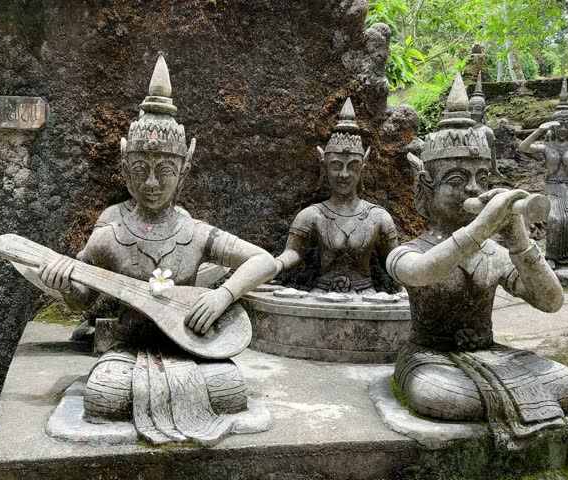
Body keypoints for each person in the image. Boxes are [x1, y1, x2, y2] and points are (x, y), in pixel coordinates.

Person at [36, 55, 276, 445]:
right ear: (125, 167)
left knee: (231, 387)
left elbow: (263, 260)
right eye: (141, 169)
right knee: (102, 395)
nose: (151, 182)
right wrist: (64, 285)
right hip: (129, 349)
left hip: (191, 350)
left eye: (164, 170)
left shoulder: (196, 233)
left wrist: (222, 296)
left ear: (183, 171)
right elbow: (84, 301)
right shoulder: (108, 236)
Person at [389, 73, 568, 450]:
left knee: (567, 384)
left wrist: (517, 239)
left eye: (481, 178)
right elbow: (422, 272)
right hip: (432, 357)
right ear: (426, 190)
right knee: (438, 395)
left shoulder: (493, 253)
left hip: (491, 354)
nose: (474, 190)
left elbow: (551, 302)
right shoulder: (409, 249)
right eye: (457, 179)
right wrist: (482, 227)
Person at [275, 98, 399, 295]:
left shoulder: (378, 217)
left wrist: (412, 281)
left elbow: (395, 261)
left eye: (352, 167)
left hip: (367, 295)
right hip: (321, 293)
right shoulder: (312, 215)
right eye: (336, 166)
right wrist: (271, 267)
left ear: (363, 171)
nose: (344, 175)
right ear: (324, 168)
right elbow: (293, 253)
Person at [518, 78, 568, 268]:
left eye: (567, 124)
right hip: (552, 187)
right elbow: (523, 147)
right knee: (555, 220)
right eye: (559, 125)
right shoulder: (546, 146)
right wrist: (539, 130)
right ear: (553, 127)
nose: (563, 129)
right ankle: (552, 256)